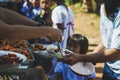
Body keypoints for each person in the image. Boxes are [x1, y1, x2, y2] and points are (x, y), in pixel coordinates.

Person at [62, 0, 120, 80]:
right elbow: (108, 39)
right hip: (110, 67)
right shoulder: (104, 6)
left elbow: (116, 52)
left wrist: (83, 58)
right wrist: (92, 56)